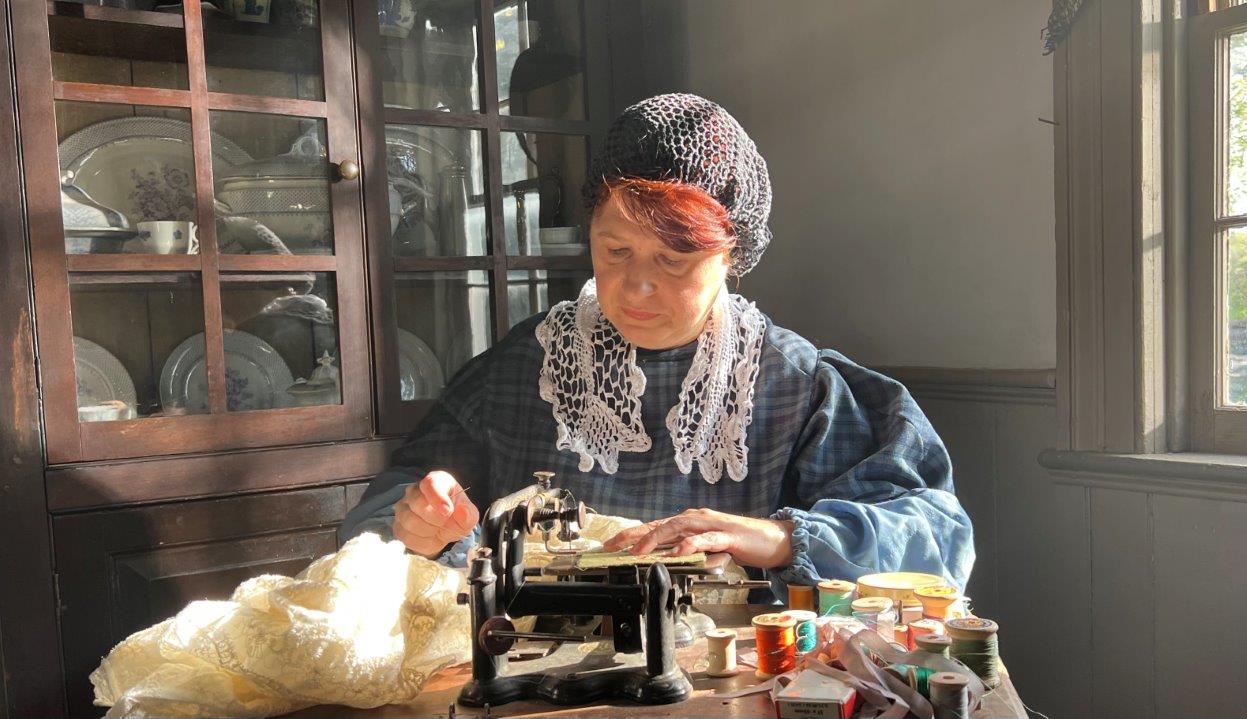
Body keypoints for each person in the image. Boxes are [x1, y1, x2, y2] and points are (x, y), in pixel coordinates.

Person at [340, 93, 975, 599]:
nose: (636, 286)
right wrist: (421, 526)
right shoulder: (523, 369)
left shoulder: (796, 387)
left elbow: (936, 539)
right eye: (616, 250)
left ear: (732, 257)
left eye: (673, 260)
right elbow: (381, 517)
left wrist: (781, 537)